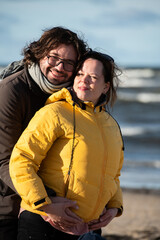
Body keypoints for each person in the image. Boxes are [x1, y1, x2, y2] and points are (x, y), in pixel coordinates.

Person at [9, 50, 124, 240]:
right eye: (80, 74)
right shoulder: (54, 113)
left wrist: (114, 207)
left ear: (105, 87)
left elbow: (113, 175)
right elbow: (21, 160)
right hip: (44, 223)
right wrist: (45, 206)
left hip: (88, 227)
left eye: (93, 77)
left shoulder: (111, 125)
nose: (83, 81)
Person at [0, 26, 88, 240]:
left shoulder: (74, 95)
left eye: (69, 63)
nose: (60, 67)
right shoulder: (12, 91)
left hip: (60, 200)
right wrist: (46, 200)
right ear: (39, 54)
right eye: (54, 57)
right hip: (10, 203)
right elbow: (4, 161)